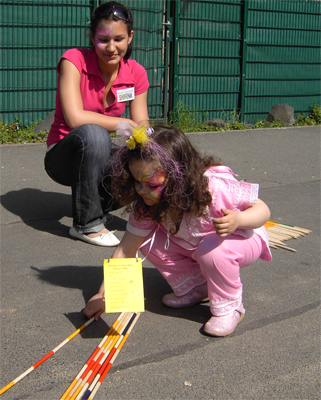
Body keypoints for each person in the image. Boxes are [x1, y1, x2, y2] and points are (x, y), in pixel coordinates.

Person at [83, 124, 272, 337]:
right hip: (196, 245)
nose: (142, 190)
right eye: (137, 181)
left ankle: (230, 306)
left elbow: (263, 210)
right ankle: (197, 287)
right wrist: (102, 295)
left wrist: (239, 219)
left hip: (241, 239)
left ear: (180, 176)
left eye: (153, 184)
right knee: (145, 239)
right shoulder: (147, 204)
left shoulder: (214, 189)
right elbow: (126, 250)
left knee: (211, 250)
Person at [44, 1, 149, 246]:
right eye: (103, 39)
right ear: (91, 37)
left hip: (100, 155)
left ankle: (93, 205)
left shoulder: (136, 73)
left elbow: (141, 124)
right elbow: (74, 118)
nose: (111, 47)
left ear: (130, 37)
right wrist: (125, 123)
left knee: (140, 165)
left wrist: (149, 150)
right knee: (94, 133)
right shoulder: (74, 60)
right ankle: (86, 224)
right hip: (64, 154)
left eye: (119, 39)